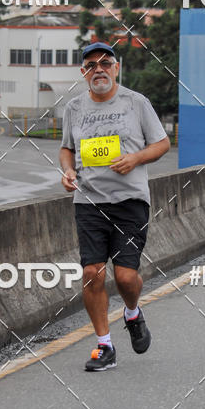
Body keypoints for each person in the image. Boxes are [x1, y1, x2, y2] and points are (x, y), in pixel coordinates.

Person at [59, 42, 170, 371]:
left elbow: (162, 143)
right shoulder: (74, 108)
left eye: (105, 63)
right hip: (89, 202)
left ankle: (133, 312)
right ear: (84, 73)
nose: (99, 69)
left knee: (124, 277)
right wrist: (67, 171)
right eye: (91, 65)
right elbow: (67, 148)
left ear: (116, 68)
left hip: (130, 201)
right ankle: (104, 345)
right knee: (92, 273)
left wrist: (135, 158)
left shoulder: (136, 103)